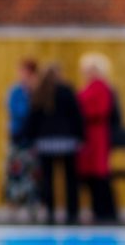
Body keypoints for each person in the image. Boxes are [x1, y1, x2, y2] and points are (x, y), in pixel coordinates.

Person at [26, 62, 85, 225]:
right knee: (70, 179)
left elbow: (32, 119)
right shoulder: (66, 91)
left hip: (45, 142)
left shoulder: (39, 91)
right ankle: (72, 213)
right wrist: (80, 137)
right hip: (67, 141)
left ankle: (50, 212)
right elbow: (76, 116)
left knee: (47, 179)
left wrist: (31, 138)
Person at [77, 52, 120, 224]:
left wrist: (81, 114)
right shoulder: (88, 87)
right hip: (88, 135)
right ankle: (96, 210)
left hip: (97, 135)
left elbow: (101, 110)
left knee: (100, 173)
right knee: (90, 175)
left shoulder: (102, 87)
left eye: (90, 69)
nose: (87, 72)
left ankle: (105, 212)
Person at [4, 58, 40, 220]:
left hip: (33, 139)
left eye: (25, 72)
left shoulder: (37, 91)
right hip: (18, 138)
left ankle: (33, 207)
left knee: (33, 175)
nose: (21, 74)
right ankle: (14, 206)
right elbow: (17, 111)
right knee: (14, 173)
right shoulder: (16, 91)